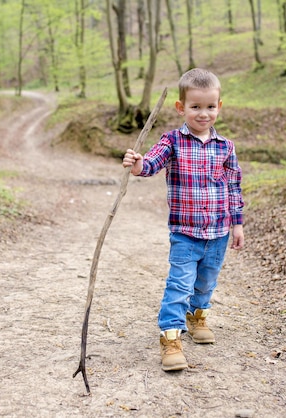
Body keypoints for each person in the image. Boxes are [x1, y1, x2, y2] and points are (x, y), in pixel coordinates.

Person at [122, 68, 245, 371]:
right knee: (180, 283)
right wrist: (138, 165)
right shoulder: (173, 141)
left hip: (218, 232)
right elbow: (151, 164)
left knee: (206, 283)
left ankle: (197, 315)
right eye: (196, 107)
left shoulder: (225, 147)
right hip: (185, 233)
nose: (204, 114)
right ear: (181, 107)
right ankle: (170, 336)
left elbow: (233, 186)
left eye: (210, 107)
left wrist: (237, 223)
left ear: (219, 106)